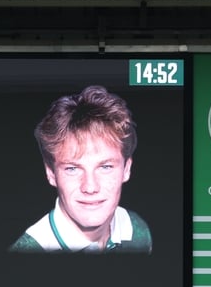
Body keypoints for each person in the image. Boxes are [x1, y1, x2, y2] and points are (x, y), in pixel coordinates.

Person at [9, 85, 152, 253]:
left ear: (126, 169)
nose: (90, 187)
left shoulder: (137, 229)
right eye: (72, 169)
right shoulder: (28, 252)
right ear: (51, 174)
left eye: (105, 167)